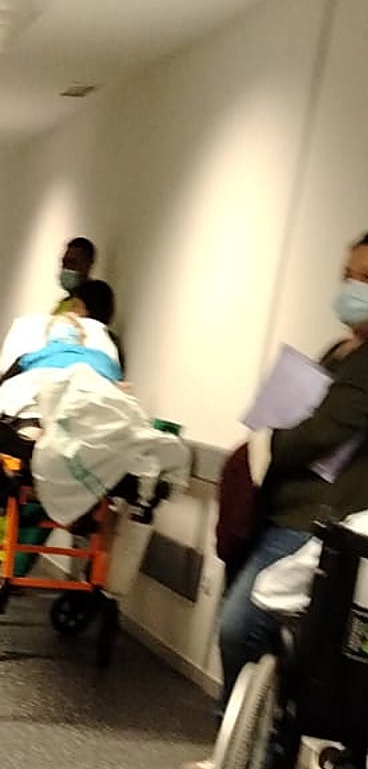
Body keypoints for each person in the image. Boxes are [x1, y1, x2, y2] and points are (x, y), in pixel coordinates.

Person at [182, 232, 368, 769]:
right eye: (347, 274)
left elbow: (320, 432)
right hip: (279, 506)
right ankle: (241, 745)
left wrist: (269, 441)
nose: (351, 288)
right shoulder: (340, 350)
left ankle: (263, 749)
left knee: (244, 626)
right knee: (250, 632)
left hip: (314, 521)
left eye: (365, 279)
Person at [54, 236, 97, 312]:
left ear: (87, 264)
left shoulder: (95, 301)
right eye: (64, 263)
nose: (66, 268)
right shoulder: (64, 303)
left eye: (72, 262)